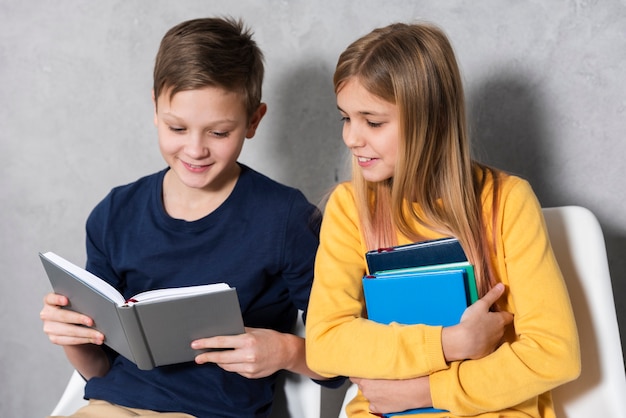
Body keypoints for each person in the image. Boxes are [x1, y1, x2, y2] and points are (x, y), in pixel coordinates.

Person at [40, 17, 335, 417]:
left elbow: (339, 357)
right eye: (177, 127)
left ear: (253, 120)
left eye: (218, 133)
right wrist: (72, 336)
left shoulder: (285, 219)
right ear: (155, 109)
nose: (195, 150)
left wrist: (287, 351)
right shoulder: (115, 215)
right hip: (113, 405)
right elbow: (100, 369)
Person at [305, 21, 581, 417]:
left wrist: (430, 391)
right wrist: (449, 344)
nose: (351, 137)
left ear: (429, 121)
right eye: (346, 118)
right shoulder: (351, 207)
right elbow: (325, 345)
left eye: (373, 121)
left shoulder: (507, 201)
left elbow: (554, 354)